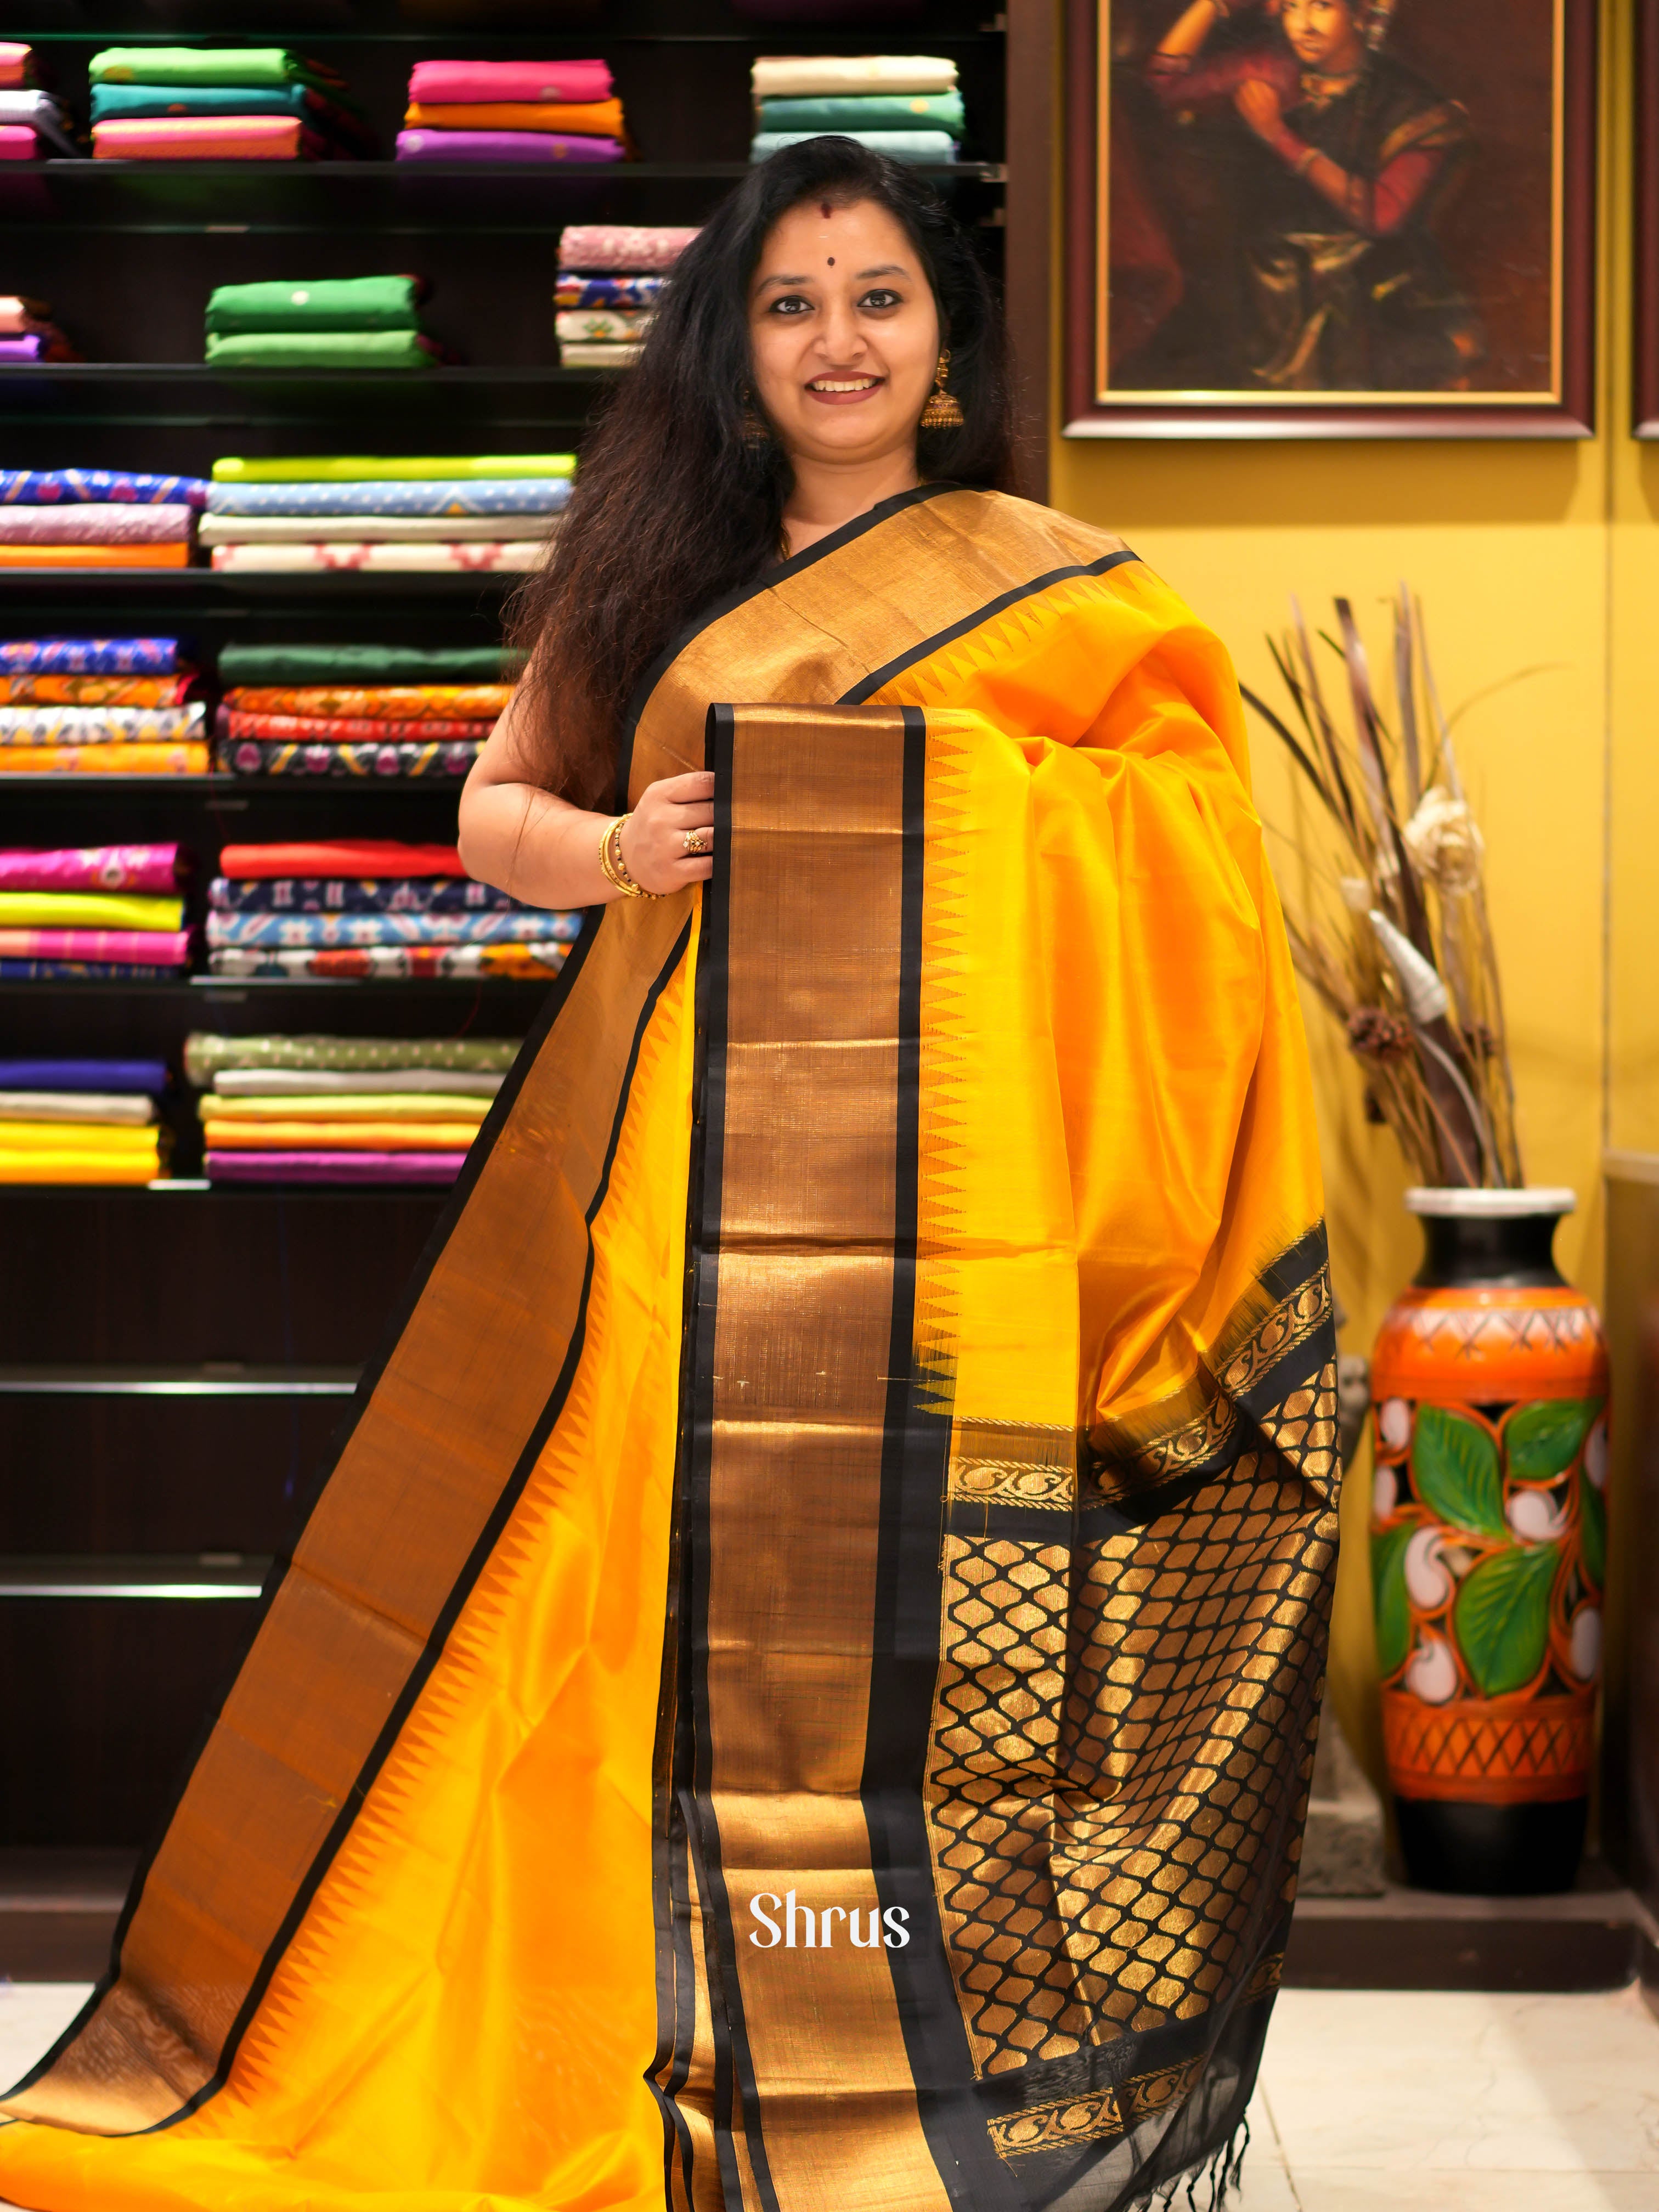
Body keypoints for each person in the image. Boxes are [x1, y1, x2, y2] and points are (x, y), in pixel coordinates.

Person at [0, 140, 1340, 2212]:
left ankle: (868, 2047)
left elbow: (1171, 830)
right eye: (790, 301)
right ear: (729, 350)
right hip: (676, 1189)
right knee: (628, 1593)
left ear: (943, 345)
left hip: (937, 1235)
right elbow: (491, 811)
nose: (835, 337)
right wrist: (619, 850)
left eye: (876, 296)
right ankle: (607, 2015)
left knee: (900, 1635)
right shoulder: (648, 566)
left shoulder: (1045, 575)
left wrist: (966, 799)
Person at [1141, 0, 1482, 390]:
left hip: (1372, 293)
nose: (1303, 26)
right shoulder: (1269, 68)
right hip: (1270, 288)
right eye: (1291, 7)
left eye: (1322, 6)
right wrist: (1213, 4)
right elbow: (1163, 83)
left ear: (1361, 12)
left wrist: (1278, 137)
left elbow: (1381, 214)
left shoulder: (1412, 104)